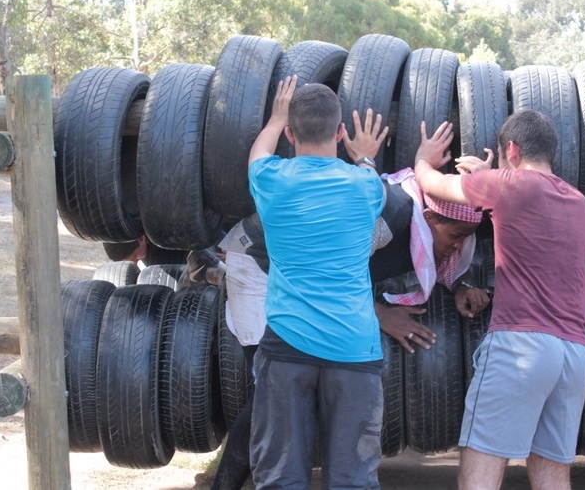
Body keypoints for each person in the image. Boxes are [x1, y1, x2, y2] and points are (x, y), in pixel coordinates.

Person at [209, 176, 489, 489]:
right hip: (262, 261)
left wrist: (461, 286)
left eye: (466, 239)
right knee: (269, 389)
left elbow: (443, 261)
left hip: (308, 275)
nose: (460, 245)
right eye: (456, 236)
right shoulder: (393, 214)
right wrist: (380, 313)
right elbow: (329, 263)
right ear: (429, 218)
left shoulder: (427, 230)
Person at [413, 109, 585, 490]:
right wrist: (489, 177)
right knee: (552, 470)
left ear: (510, 149)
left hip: (521, 347)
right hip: (573, 355)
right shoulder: (579, 202)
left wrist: (422, 157)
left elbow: (430, 184)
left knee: (482, 464)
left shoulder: (507, 186)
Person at [247, 75, 387, 488]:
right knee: (353, 479)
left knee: (280, 477)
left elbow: (258, 152)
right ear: (341, 132)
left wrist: (274, 118)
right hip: (354, 348)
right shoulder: (366, 186)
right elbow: (367, 172)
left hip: (287, 345)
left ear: (291, 133)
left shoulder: (270, 180)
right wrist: (364, 156)